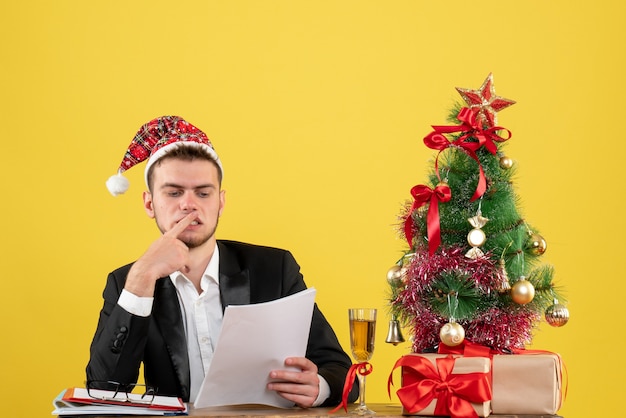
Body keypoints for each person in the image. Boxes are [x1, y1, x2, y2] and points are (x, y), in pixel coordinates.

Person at [86, 116, 357, 408]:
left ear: (220, 202)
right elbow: (102, 391)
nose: (189, 204)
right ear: (150, 204)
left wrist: (321, 388)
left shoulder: (274, 268)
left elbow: (342, 372)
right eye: (174, 192)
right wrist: (141, 279)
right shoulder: (127, 282)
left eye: (203, 193)